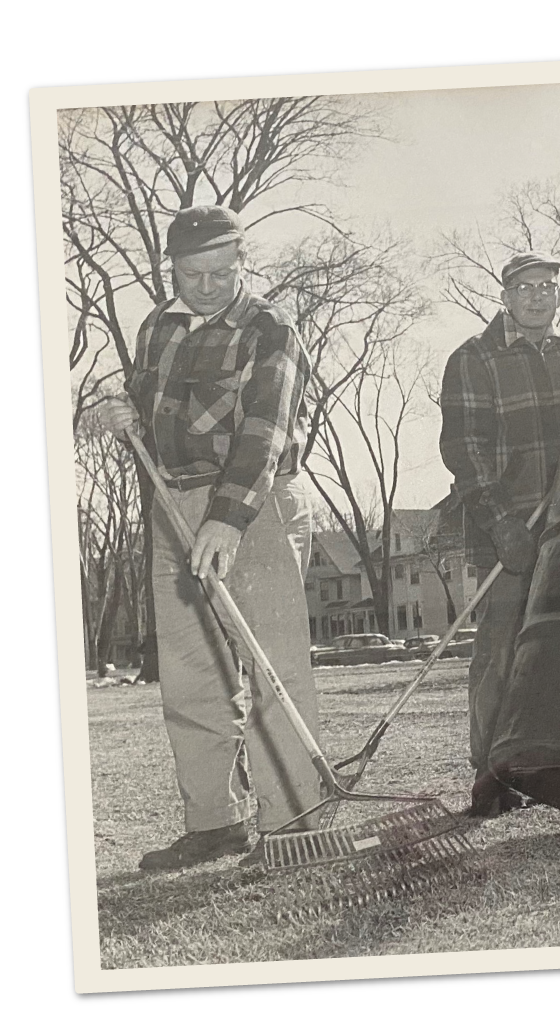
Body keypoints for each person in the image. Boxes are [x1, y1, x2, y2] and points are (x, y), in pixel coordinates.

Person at [97, 205, 323, 869]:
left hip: (254, 504)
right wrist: (119, 412)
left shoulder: (269, 326)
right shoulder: (157, 327)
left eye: (223, 271)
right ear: (172, 269)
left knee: (272, 666)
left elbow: (266, 428)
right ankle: (216, 822)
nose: (207, 285)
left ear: (243, 262)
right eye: (193, 273)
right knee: (192, 674)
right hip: (174, 505)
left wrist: (226, 516)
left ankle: (296, 826)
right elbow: (152, 410)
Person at [439, 252, 560, 816]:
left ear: (558, 294)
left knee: (556, 646)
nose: (536, 297)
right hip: (504, 528)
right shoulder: (474, 357)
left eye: (547, 287)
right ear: (505, 296)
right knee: (500, 651)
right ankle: (490, 773)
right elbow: (464, 449)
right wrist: (499, 519)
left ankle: (547, 767)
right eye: (524, 288)